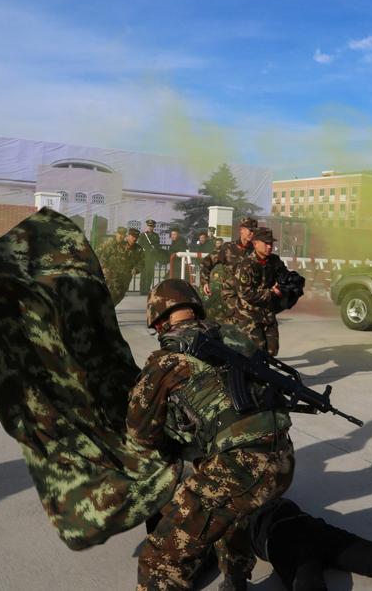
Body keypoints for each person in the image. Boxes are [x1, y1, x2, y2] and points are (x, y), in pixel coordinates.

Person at [130, 279, 294, 591]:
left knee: (158, 558)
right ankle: (235, 579)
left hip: (243, 466)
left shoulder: (164, 362)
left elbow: (140, 431)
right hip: (282, 456)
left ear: (161, 321)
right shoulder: (234, 337)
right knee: (230, 504)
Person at [231, 227, 299, 356]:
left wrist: (291, 283)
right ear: (256, 243)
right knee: (257, 351)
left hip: (267, 312)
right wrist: (271, 293)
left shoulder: (274, 261)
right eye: (266, 243)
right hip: (249, 313)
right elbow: (245, 294)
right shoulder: (247, 265)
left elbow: (284, 277)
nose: (269, 246)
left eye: (271, 243)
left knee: (272, 350)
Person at [200, 217, 258, 323]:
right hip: (226, 297)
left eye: (255, 230)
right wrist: (205, 282)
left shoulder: (256, 252)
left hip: (245, 299)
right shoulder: (228, 248)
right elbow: (207, 262)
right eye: (250, 230)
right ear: (242, 230)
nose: (252, 233)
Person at [101, 228, 144, 305]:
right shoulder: (118, 245)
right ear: (128, 236)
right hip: (112, 274)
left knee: (119, 295)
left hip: (125, 277)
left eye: (136, 237)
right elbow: (104, 256)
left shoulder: (138, 249)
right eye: (132, 236)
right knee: (109, 292)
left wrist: (136, 269)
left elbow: (142, 262)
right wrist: (104, 267)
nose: (134, 239)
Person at [139, 219, 164, 295]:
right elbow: (140, 245)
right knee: (143, 273)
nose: (150, 227)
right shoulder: (143, 235)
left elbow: (158, 246)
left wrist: (154, 249)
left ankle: (147, 289)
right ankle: (142, 289)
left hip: (152, 258)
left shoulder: (156, 236)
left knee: (150, 273)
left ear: (154, 227)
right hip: (144, 257)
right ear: (147, 226)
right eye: (149, 226)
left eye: (152, 226)